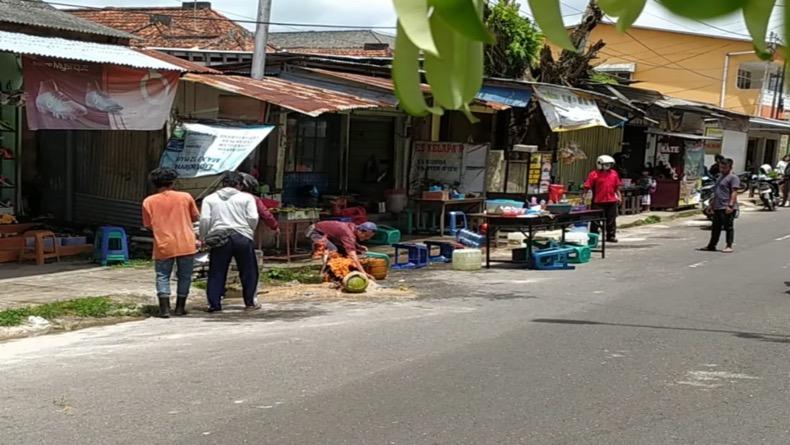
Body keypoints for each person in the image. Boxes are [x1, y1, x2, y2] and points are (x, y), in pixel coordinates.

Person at [142, 168, 200, 318]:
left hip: (163, 243)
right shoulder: (185, 197)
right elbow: (195, 217)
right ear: (173, 182)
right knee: (185, 276)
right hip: (186, 242)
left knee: (162, 275)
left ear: (154, 183)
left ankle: (165, 309)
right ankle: (180, 307)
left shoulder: (149, 201)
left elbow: (148, 225)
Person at [199, 172, 260, 312]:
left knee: (217, 271)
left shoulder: (210, 198)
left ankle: (214, 304)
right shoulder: (247, 198)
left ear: (223, 184)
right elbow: (253, 218)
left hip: (219, 237)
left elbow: (205, 220)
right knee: (248, 270)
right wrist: (249, 231)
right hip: (242, 236)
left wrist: (203, 237)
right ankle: (250, 302)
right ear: (239, 185)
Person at [306, 220, 378, 279]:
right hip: (314, 232)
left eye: (369, 237)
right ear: (360, 230)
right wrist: (363, 272)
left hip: (325, 234)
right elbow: (353, 255)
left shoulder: (353, 228)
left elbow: (347, 239)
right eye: (366, 235)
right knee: (333, 251)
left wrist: (358, 246)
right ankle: (325, 273)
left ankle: (337, 269)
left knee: (343, 251)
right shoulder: (349, 234)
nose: (367, 238)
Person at [701, 158, 739, 253]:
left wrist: (730, 205)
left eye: (725, 168)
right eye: (721, 167)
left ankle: (729, 245)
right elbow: (717, 192)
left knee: (728, 227)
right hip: (718, 206)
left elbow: (734, 192)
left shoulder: (733, 178)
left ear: (730, 167)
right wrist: (711, 205)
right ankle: (711, 245)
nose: (722, 169)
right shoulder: (720, 177)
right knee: (715, 227)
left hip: (726, 206)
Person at [584, 155, 622, 243]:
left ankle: (611, 236)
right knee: (595, 221)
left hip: (611, 201)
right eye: (606, 164)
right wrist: (585, 198)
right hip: (598, 201)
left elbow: (616, 187)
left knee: (611, 220)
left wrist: (619, 196)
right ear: (600, 164)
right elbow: (587, 187)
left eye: (609, 164)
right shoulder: (594, 174)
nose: (608, 166)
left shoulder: (614, 173)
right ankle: (594, 238)